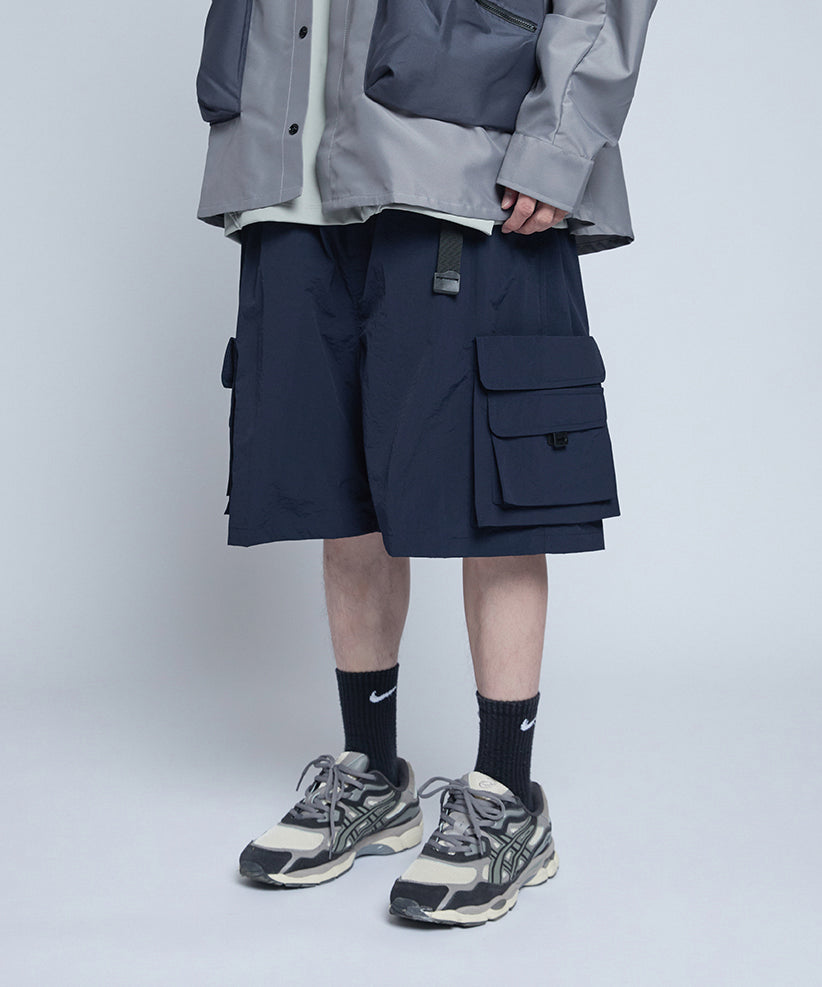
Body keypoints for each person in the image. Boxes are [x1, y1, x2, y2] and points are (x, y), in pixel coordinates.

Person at [195, 0, 658, 927]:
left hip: (459, 159)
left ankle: (507, 795)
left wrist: (559, 145)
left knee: (495, 487)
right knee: (340, 487)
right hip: (290, 167)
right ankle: (373, 773)